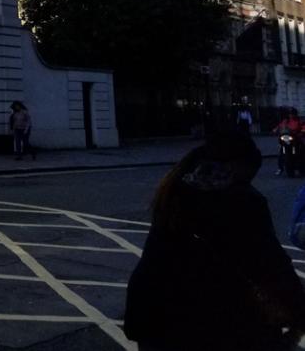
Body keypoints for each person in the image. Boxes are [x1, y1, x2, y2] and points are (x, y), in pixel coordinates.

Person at [124, 133, 305, 350]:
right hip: (214, 324)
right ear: (237, 167)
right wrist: (298, 311)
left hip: (155, 314)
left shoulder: (177, 189)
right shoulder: (241, 201)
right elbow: (271, 264)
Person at [274, 109, 303, 176]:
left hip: (295, 139)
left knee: (300, 150)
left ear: (295, 114)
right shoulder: (285, 121)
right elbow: (279, 127)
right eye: (290, 114)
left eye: (292, 114)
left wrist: (299, 133)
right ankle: (280, 168)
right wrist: (276, 129)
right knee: (281, 152)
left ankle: (299, 168)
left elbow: (302, 129)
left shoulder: (299, 121)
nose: (291, 115)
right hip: (286, 139)